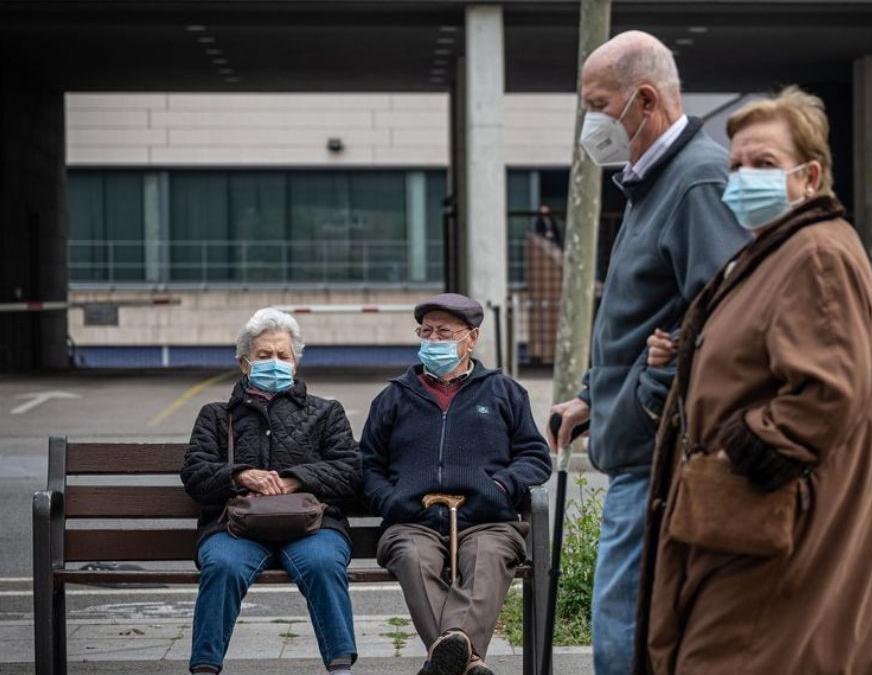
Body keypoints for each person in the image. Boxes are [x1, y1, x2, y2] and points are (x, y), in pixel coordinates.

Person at [635, 87, 872, 674]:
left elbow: (827, 395)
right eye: (737, 166)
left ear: (809, 176)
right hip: (747, 534)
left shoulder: (815, 254)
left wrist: (740, 458)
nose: (744, 177)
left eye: (765, 164)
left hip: (770, 538)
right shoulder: (775, 251)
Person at [547, 30, 749, 675]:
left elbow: (721, 321)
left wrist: (642, 400)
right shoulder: (652, 180)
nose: (591, 121)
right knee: (630, 628)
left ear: (643, 99)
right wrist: (591, 396)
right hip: (638, 444)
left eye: (597, 103)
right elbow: (642, 317)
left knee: (622, 635)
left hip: (656, 455)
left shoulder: (695, 182)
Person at [360, 293, 551, 675]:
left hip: (488, 519)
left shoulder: (504, 392)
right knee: (412, 556)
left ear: (472, 338)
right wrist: (391, 500)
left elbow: (535, 456)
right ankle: (467, 662)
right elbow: (367, 465)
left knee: (487, 557)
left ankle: (445, 662)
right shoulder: (394, 397)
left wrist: (501, 487)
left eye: (443, 332)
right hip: (413, 521)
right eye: (426, 331)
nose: (432, 340)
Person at [181, 308, 361, 675]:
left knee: (324, 564)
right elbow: (196, 474)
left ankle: (341, 667)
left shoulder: (326, 413)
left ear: (296, 363)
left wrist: (296, 479)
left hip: (314, 525)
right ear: (244, 363)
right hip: (236, 528)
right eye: (264, 356)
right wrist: (241, 475)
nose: (274, 362)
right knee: (222, 566)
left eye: (283, 355)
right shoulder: (217, 416)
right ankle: (205, 667)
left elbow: (350, 472)